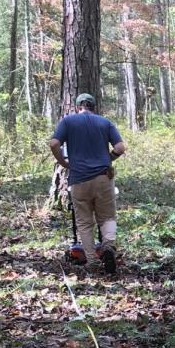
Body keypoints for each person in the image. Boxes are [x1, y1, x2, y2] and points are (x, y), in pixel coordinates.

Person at [49, 93, 126, 274]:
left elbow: (54, 143)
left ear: (77, 107)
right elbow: (120, 148)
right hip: (103, 177)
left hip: (78, 179)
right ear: (94, 107)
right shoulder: (105, 123)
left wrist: (63, 163)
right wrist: (108, 158)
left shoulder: (68, 122)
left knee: (84, 222)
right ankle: (108, 247)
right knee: (107, 217)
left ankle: (92, 261)